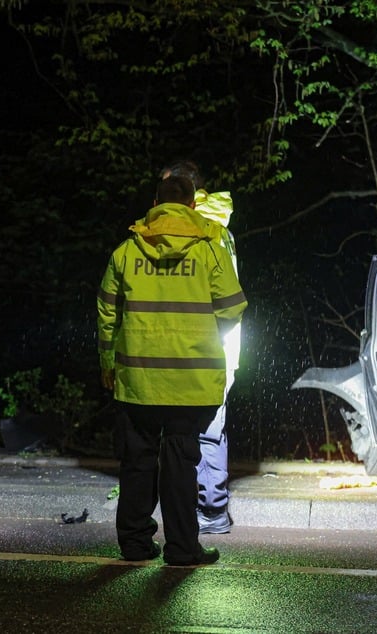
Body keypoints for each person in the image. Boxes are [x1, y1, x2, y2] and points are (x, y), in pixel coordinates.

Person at [97, 174, 247, 566]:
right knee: (181, 462)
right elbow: (232, 308)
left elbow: (106, 314)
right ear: (192, 205)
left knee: (137, 461)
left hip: (138, 379)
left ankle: (134, 543)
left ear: (156, 203)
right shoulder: (210, 250)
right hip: (191, 379)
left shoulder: (126, 252)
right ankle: (182, 548)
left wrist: (107, 363)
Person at [160, 161, 240, 535]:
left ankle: (209, 511)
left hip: (203, 348)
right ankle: (208, 510)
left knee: (202, 431)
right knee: (205, 431)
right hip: (212, 345)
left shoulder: (200, 232)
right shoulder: (216, 228)